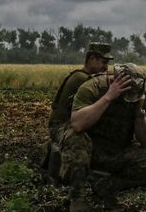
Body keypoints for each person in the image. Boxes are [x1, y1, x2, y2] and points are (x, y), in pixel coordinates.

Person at [64, 62, 146, 212]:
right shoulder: (93, 88)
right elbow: (77, 124)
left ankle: (106, 186)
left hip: (116, 148)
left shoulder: (143, 97)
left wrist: (138, 112)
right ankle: (77, 197)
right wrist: (108, 97)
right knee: (76, 138)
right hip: (90, 148)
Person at [42, 42, 113, 183]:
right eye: (103, 62)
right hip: (61, 125)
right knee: (79, 139)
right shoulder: (83, 79)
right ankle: (69, 177)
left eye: (107, 63)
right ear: (92, 58)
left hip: (69, 122)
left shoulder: (83, 77)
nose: (105, 67)